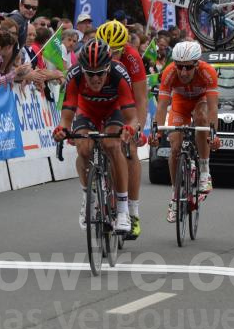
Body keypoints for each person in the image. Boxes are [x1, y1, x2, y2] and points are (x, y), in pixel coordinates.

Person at [52, 39, 137, 233]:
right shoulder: (74, 75)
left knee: (112, 145)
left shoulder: (119, 74)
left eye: (100, 73)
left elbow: (132, 118)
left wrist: (130, 130)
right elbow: (66, 117)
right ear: (83, 70)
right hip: (87, 110)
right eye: (90, 74)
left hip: (113, 110)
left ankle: (123, 211)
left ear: (108, 69)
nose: (95, 78)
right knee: (84, 148)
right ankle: (88, 197)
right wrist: (61, 131)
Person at [151, 41, 220, 223]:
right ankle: (174, 196)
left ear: (196, 64)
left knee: (201, 117)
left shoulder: (208, 72)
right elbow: (162, 107)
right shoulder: (169, 73)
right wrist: (156, 133)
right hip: (180, 104)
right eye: (179, 66)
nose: (183, 72)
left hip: (201, 101)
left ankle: (204, 170)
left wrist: (214, 135)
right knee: (174, 145)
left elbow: (213, 109)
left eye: (188, 68)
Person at [96, 19, 148, 239]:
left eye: (116, 52)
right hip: (101, 102)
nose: (113, 57)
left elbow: (141, 98)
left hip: (125, 104)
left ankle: (133, 213)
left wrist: (138, 128)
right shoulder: (93, 51)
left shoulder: (132, 58)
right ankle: (95, 195)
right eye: (109, 52)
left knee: (130, 152)